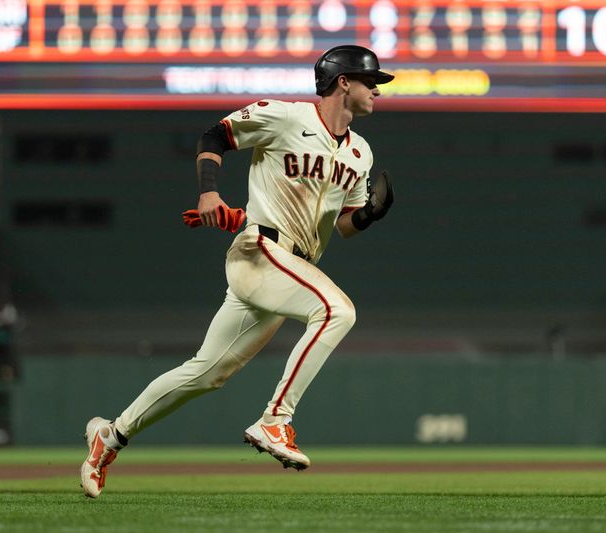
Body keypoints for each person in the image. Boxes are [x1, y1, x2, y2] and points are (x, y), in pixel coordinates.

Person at [80, 45, 395, 498]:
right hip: (260, 250)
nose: (377, 91)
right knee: (337, 311)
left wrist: (369, 216)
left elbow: (344, 227)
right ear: (343, 81)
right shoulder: (286, 116)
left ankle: (108, 436)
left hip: (290, 270)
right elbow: (215, 135)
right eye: (371, 82)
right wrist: (209, 192)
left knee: (206, 373)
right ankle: (276, 420)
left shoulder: (361, 153)